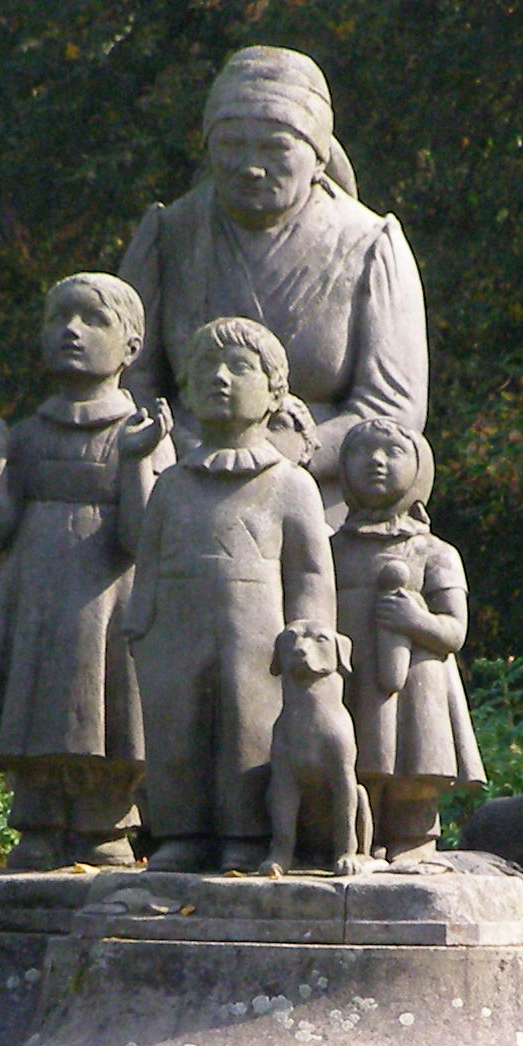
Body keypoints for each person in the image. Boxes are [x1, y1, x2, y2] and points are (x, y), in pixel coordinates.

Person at [118, 47, 428, 519]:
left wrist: (285, 451)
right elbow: (128, 377)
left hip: (326, 506)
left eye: (276, 148)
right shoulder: (170, 234)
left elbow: (392, 410)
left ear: (318, 156)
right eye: (231, 145)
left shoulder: (369, 244)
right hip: (184, 490)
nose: (251, 167)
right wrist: (179, 445)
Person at [0, 273, 166, 869]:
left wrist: (137, 462)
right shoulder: (26, 435)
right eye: (59, 317)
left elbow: (142, 538)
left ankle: (105, 824)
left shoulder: (141, 433)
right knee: (34, 705)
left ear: (131, 346)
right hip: (35, 593)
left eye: (93, 319)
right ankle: (38, 822)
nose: (71, 330)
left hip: (108, 595)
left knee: (108, 707)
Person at [120, 316, 336, 872]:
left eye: (240, 367)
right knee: (177, 730)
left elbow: (311, 572)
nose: (221, 378)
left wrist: (310, 635)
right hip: (175, 629)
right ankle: (182, 834)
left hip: (260, 638)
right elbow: (148, 556)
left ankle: (247, 835)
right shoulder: (172, 484)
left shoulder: (291, 485)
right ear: (187, 389)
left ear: (274, 392)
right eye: (206, 368)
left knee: (251, 728)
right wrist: (140, 620)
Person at [331, 418, 485, 864]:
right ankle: (357, 838)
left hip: (415, 682)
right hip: (353, 677)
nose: (376, 461)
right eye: (362, 452)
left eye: (393, 452)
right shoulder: (332, 548)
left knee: (414, 765)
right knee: (356, 762)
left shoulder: (435, 552)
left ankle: (414, 838)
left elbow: (454, 631)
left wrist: (415, 619)